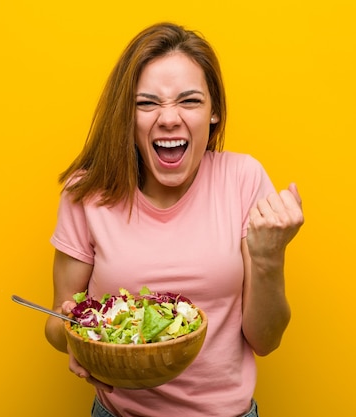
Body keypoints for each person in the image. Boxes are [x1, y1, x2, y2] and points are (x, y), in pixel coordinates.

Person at [44, 22, 304, 417]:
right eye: (147, 103)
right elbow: (54, 323)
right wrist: (80, 343)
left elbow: (265, 340)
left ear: (213, 111)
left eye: (189, 101)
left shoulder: (244, 179)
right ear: (127, 116)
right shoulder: (88, 192)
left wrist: (269, 258)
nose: (168, 118)